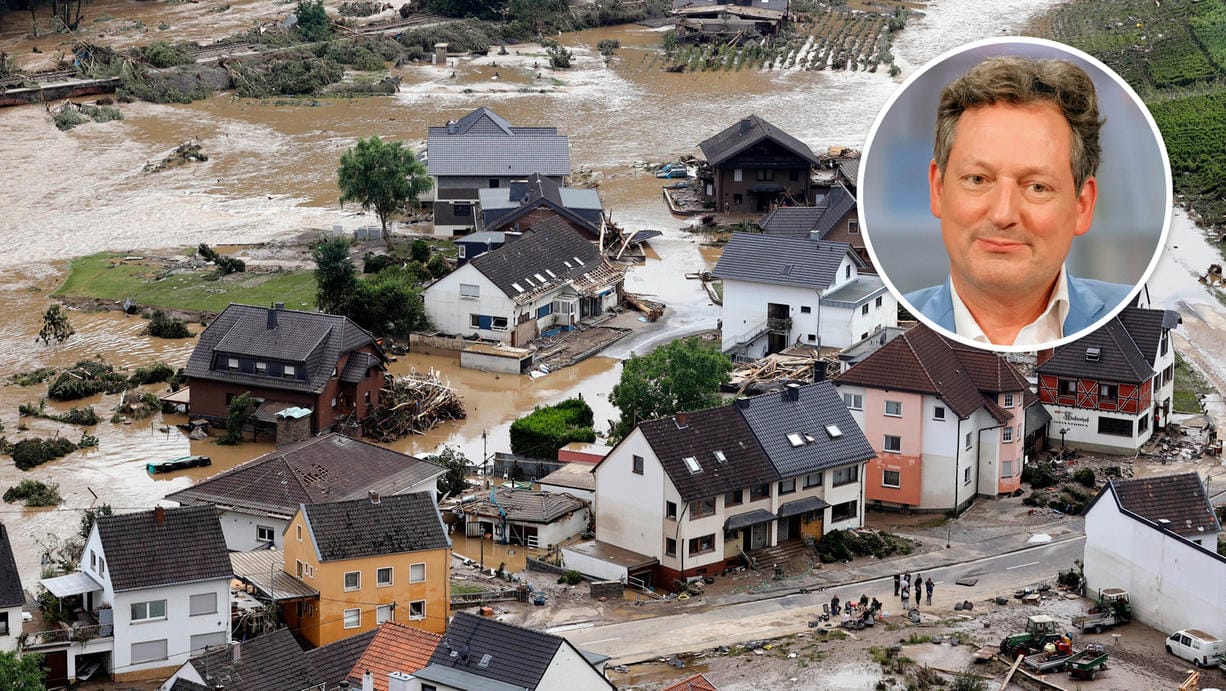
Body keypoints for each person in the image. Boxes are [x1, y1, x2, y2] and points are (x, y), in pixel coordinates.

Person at [904, 56, 1132, 346]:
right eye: (977, 180)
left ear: (1082, 206)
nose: (1002, 214)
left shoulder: (1133, 313)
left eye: (1037, 187)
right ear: (938, 189)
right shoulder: (896, 323)